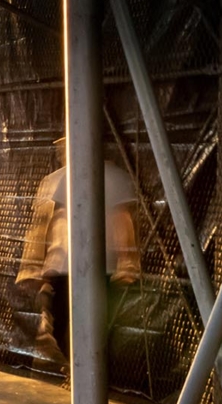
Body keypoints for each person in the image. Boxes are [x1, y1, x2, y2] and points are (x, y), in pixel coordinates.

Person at [15, 137, 141, 370]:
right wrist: (34, 264)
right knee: (74, 322)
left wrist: (127, 259)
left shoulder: (103, 177)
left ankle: (84, 373)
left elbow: (121, 219)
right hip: (72, 267)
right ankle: (80, 369)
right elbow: (44, 225)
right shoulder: (59, 180)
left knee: (88, 324)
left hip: (91, 266)